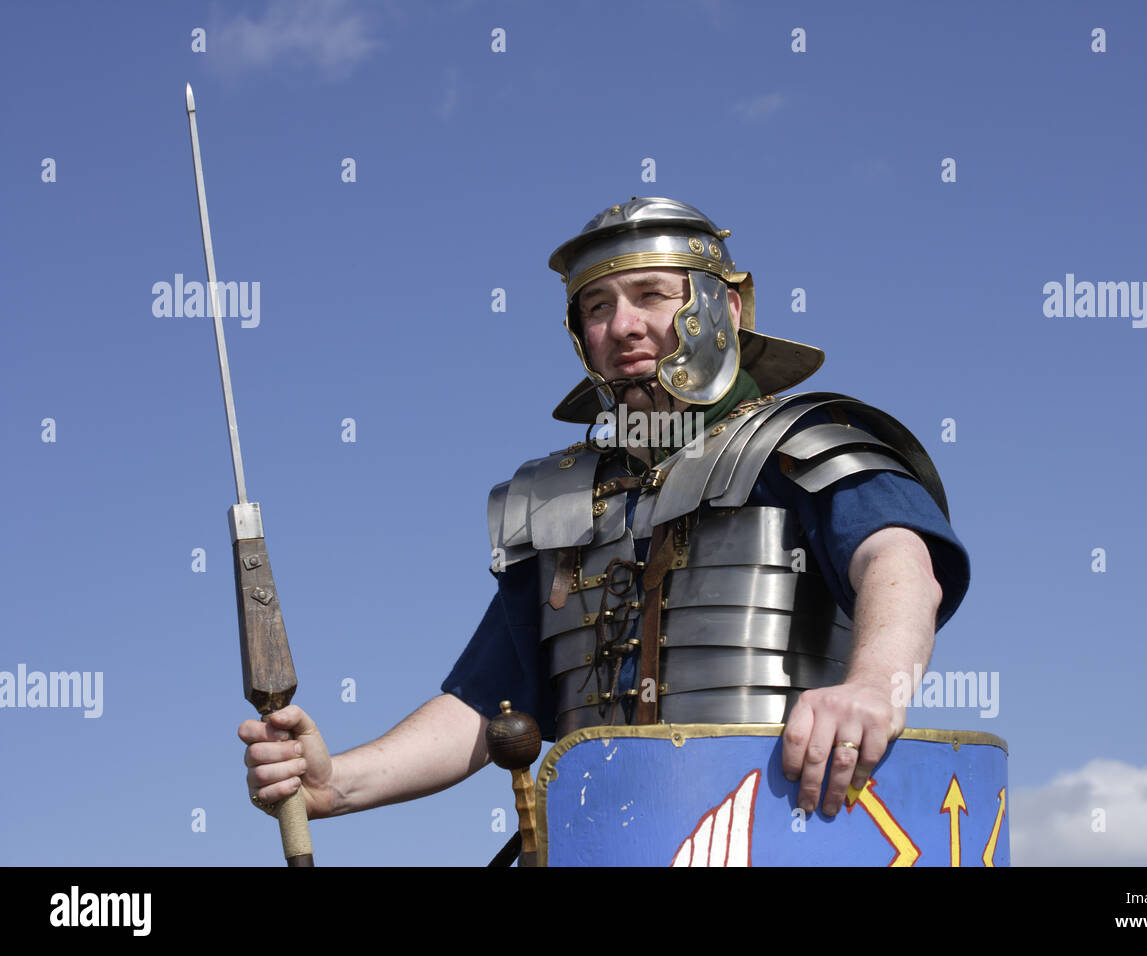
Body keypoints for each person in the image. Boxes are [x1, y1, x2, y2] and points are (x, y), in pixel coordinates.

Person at [240, 197, 969, 831]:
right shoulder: (560, 503)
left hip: (780, 827)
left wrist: (874, 685)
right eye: (598, 307)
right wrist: (337, 782)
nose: (623, 327)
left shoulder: (798, 446)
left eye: (651, 295)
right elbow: (483, 708)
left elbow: (898, 560)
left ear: (726, 309)